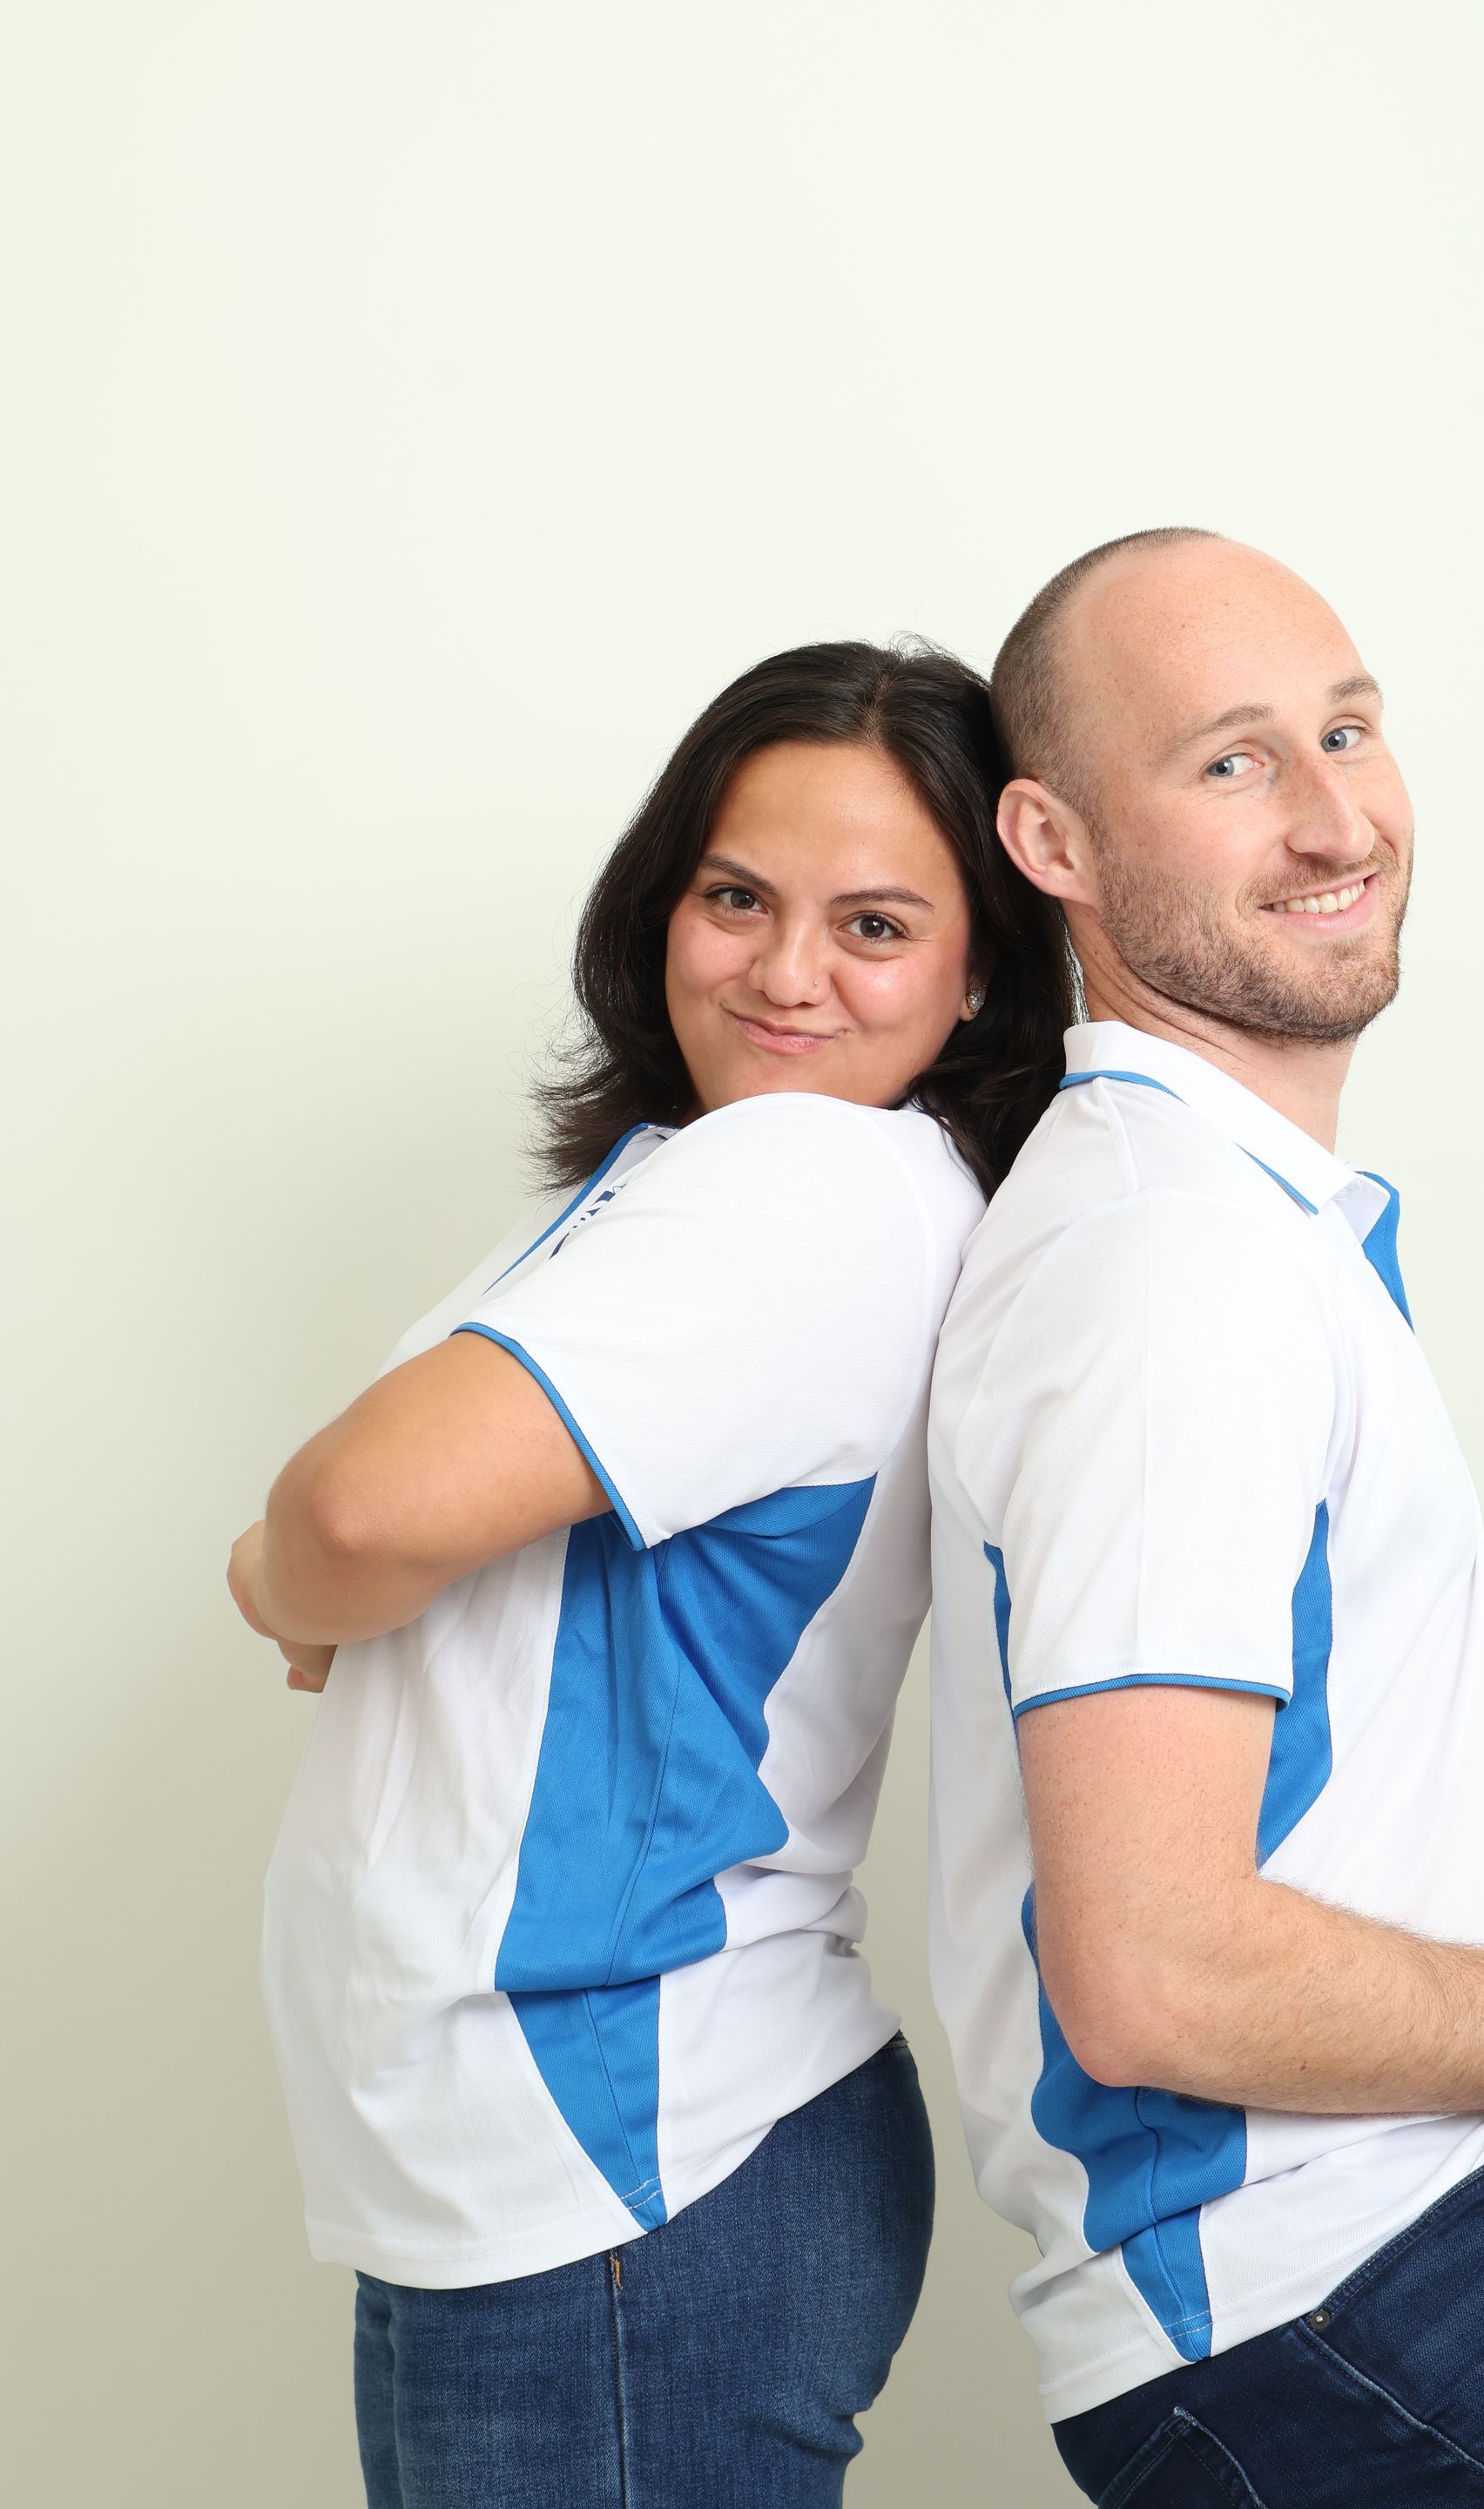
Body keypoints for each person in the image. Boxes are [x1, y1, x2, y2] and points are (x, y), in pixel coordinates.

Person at [227, 638, 1075, 2509]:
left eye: (872, 923)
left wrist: (280, 1575)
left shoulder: (807, 1189)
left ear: (980, 971)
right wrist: (360, 1572)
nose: (783, 974)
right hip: (563, 2175)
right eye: (736, 898)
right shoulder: (731, 1182)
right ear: (660, 902)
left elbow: (359, 1518)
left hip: (619, 2159)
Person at [927, 531, 1484, 2506]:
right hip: (1342, 2295)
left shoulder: (1233, 1229)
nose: (1340, 814)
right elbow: (1155, 1965)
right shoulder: (1171, 1270)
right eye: (1236, 762)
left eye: (1350, 730)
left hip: (1452, 2229)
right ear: (1057, 842)